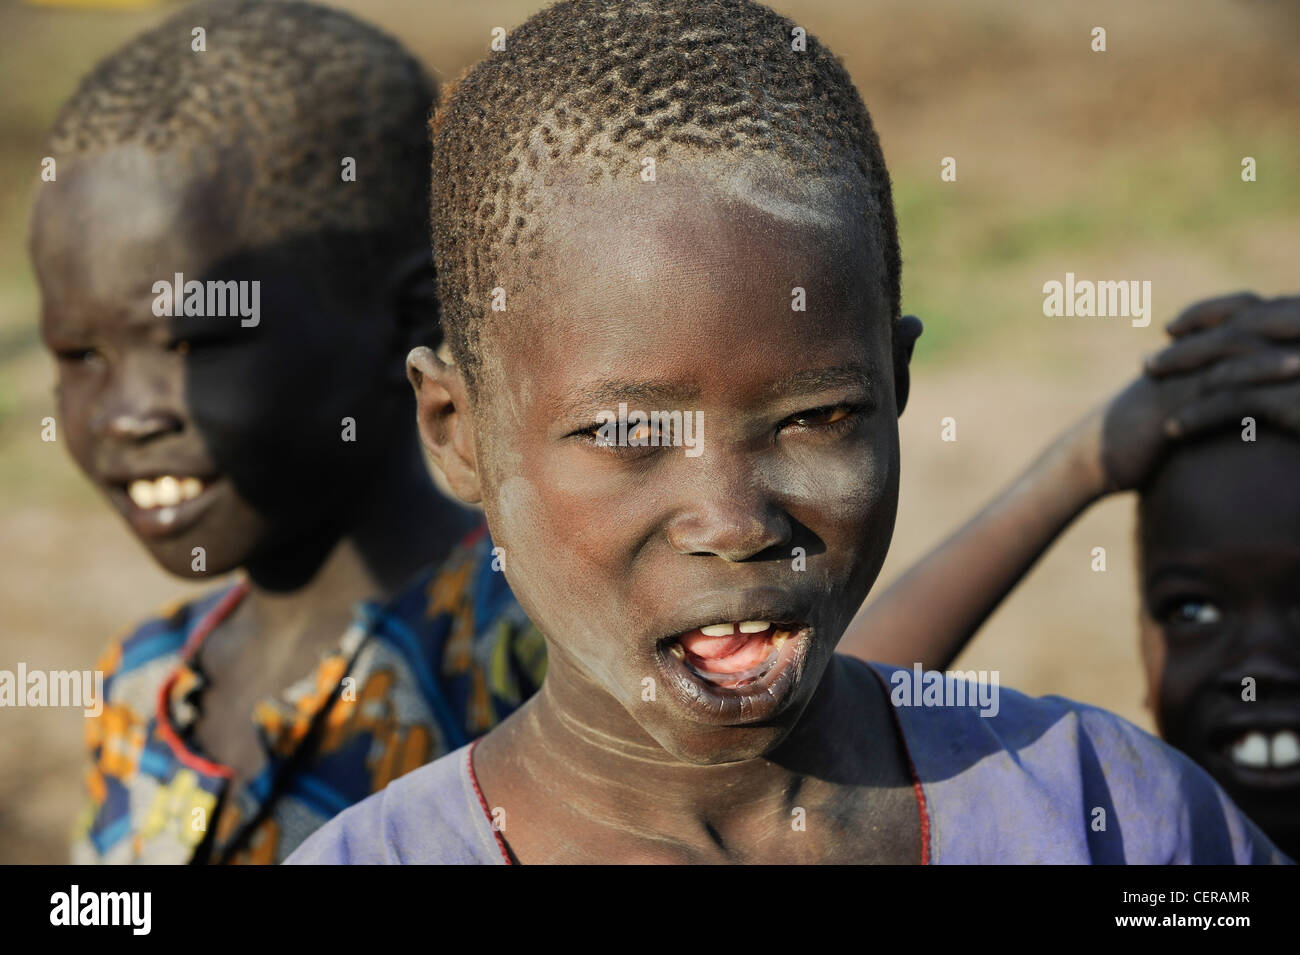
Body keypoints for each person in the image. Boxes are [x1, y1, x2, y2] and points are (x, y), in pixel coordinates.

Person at [288, 0, 1288, 864]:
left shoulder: (1103, 812)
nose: (733, 521)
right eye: (628, 431)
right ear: (455, 430)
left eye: (815, 417)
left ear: (895, 385)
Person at [31, 0, 543, 864]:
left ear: (408, 316)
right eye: (80, 354)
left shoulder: (529, 639)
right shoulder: (142, 687)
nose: (128, 412)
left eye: (194, 341)